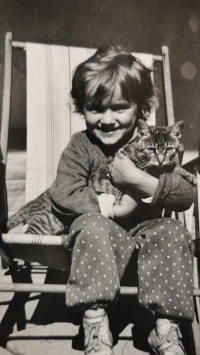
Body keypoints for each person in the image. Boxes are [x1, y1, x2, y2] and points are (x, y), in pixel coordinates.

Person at [49, 45, 195, 355]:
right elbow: (63, 192)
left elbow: (185, 194)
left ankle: (165, 331)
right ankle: (96, 328)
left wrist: (138, 180)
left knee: (173, 230)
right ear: (81, 107)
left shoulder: (155, 143)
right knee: (90, 226)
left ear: (140, 108)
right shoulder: (81, 146)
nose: (107, 119)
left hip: (147, 235)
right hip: (102, 235)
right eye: (95, 108)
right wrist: (113, 209)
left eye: (119, 108)